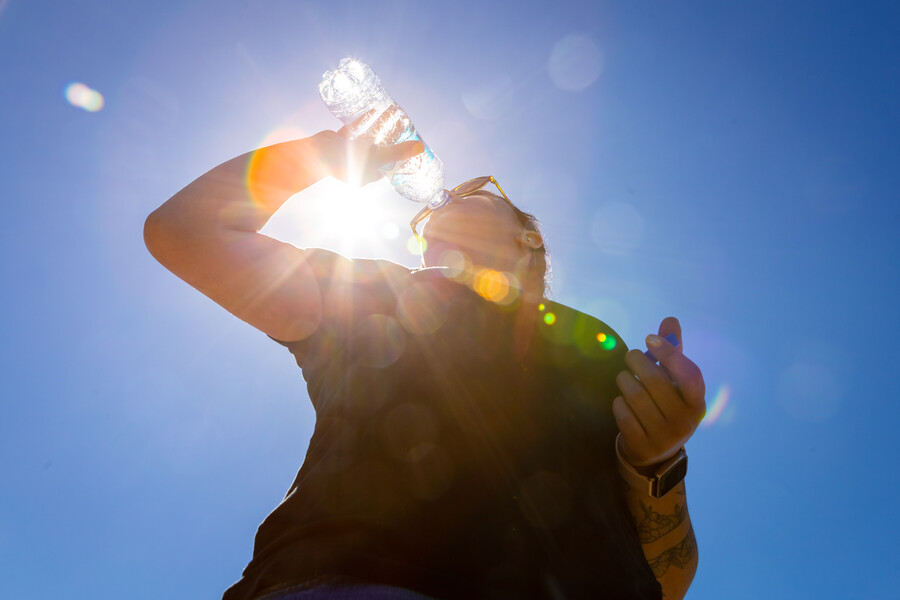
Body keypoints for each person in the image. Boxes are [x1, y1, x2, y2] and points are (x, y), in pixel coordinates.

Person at [144, 128, 706, 600]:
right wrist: (319, 154)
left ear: (529, 237)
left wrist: (657, 461)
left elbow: (669, 580)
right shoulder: (375, 294)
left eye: (476, 190)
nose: (445, 198)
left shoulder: (595, 340)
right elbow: (186, 232)